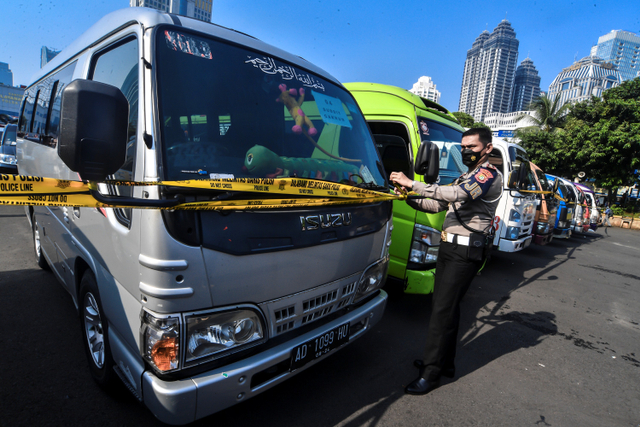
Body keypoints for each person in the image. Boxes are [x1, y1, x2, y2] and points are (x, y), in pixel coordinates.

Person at [389, 127, 503, 395]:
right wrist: (409, 198)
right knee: (447, 309)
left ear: (487, 148)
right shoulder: (467, 176)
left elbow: (457, 195)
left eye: (472, 147)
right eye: (463, 147)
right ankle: (444, 364)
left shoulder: (486, 174)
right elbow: (437, 205)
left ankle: (430, 374)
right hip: (450, 249)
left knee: (441, 312)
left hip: (465, 253)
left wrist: (412, 183)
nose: (466, 151)